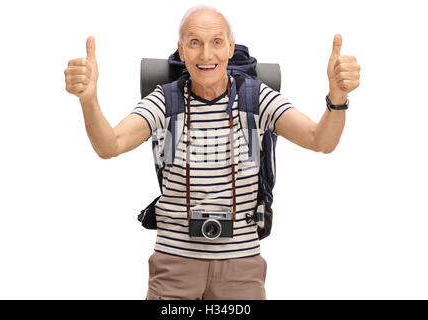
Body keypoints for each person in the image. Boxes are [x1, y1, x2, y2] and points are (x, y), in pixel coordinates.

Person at [64, 5, 360, 300]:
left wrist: (337, 98)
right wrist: (88, 100)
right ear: (181, 51)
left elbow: (320, 141)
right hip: (174, 264)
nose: (206, 55)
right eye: (195, 43)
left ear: (230, 48)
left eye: (217, 42)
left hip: (241, 266)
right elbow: (110, 145)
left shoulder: (255, 98)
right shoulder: (165, 100)